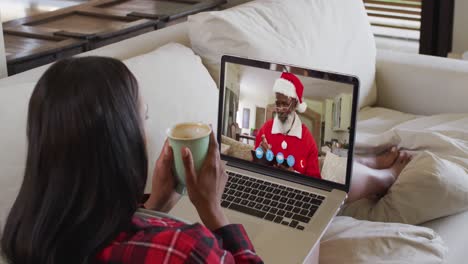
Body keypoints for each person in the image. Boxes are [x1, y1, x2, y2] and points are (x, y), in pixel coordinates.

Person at [0, 57, 263, 264]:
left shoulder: (23, 236)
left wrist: (154, 206)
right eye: (143, 118)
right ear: (122, 141)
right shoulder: (185, 250)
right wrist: (213, 210)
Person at [255, 72, 321, 178]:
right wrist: (260, 158)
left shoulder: (308, 140)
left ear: (295, 104)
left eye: (285, 104)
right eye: (277, 104)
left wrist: (294, 176)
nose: (280, 110)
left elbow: (316, 182)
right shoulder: (265, 130)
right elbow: (254, 168)